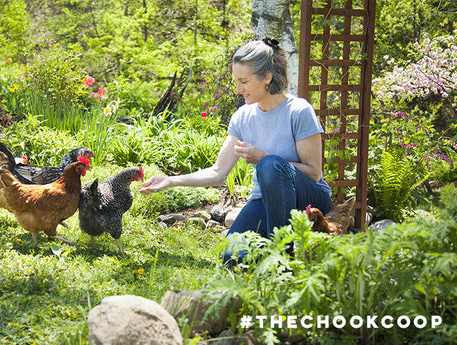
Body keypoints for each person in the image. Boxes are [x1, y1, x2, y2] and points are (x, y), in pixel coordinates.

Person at [138, 38, 333, 266]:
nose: (238, 89)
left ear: (267, 78)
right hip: (265, 199)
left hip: (310, 198)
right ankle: (269, 253)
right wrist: (170, 180)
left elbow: (313, 173)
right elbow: (218, 172)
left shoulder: (298, 111)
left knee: (269, 165)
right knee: (231, 258)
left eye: (244, 81)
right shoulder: (243, 116)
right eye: (236, 82)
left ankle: (282, 262)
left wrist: (263, 157)